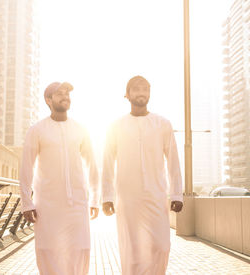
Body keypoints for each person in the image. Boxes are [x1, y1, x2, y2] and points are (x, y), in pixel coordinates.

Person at [102, 75, 183, 274]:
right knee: (132, 251)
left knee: (161, 246)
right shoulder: (116, 126)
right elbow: (107, 163)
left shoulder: (163, 124)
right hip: (128, 199)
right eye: (137, 89)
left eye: (145, 89)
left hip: (156, 196)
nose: (142, 93)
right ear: (127, 95)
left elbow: (173, 161)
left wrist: (177, 194)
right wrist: (107, 197)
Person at [19, 82, 100, 275]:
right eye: (59, 94)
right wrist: (26, 203)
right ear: (48, 100)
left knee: (80, 252)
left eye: (67, 93)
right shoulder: (37, 130)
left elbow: (92, 165)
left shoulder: (81, 129)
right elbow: (26, 168)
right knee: (48, 254)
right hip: (47, 206)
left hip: (77, 205)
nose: (65, 96)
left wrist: (95, 199)